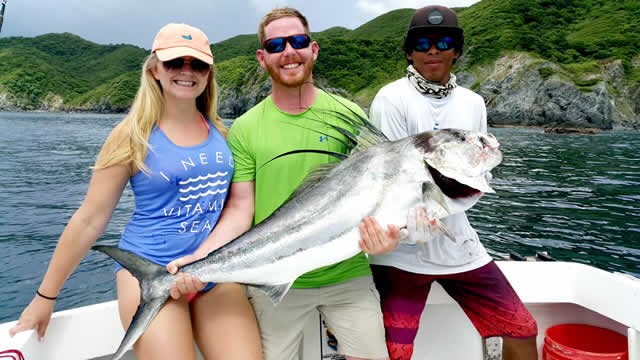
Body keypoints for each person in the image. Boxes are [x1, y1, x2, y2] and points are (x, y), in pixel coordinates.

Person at [8, 23, 262, 360]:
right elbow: (90, 219)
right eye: (175, 63)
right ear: (155, 69)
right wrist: (45, 296)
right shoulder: (132, 135)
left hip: (211, 271)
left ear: (208, 73)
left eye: (197, 64)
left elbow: (238, 207)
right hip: (148, 272)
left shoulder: (221, 133)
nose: (187, 72)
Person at [166, 7, 398, 360]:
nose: (289, 51)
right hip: (273, 278)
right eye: (276, 45)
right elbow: (242, 208)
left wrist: (390, 235)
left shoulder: (351, 116)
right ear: (263, 58)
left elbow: (381, 191)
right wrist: (199, 259)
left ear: (314, 49)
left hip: (348, 276)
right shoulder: (245, 128)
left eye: (298, 41)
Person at [368, 5, 539, 360]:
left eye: (444, 42)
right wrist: (412, 221)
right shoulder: (391, 98)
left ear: (456, 50)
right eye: (423, 43)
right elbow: (390, 177)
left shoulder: (473, 103)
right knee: (394, 352)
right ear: (409, 51)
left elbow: (478, 170)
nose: (434, 50)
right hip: (401, 253)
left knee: (522, 330)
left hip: (460, 246)